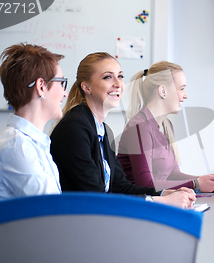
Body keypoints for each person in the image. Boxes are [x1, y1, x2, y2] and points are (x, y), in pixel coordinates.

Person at [50, 53, 195, 208]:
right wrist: (161, 201)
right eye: (107, 77)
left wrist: (163, 193)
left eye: (120, 76)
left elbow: (121, 187)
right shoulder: (75, 127)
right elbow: (95, 197)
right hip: (79, 219)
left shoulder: (103, 130)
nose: (118, 83)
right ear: (86, 87)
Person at [117, 61, 214, 192]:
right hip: (138, 205)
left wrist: (205, 181)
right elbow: (146, 184)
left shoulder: (166, 125)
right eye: (181, 88)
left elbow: (173, 175)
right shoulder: (139, 127)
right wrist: (196, 183)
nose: (185, 95)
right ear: (162, 90)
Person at [0, 43, 67, 202]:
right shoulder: (17, 146)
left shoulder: (29, 143)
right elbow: (52, 212)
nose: (65, 93)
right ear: (41, 86)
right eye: (61, 82)